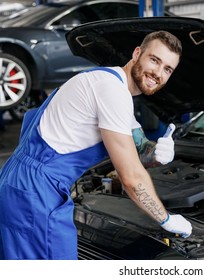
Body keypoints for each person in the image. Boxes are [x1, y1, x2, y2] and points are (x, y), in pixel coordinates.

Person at [0, 30, 192, 260]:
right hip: (36, 193)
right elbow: (131, 177)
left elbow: (141, 149)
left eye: (167, 69)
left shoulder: (107, 83)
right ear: (137, 53)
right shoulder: (112, 91)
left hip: (20, 184)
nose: (158, 73)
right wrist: (166, 219)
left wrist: (158, 154)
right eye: (154, 60)